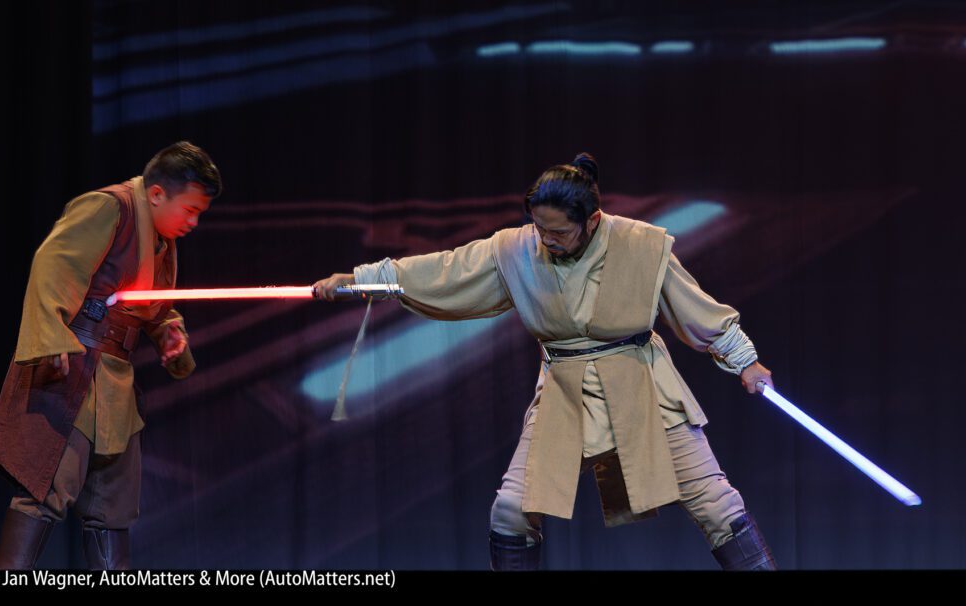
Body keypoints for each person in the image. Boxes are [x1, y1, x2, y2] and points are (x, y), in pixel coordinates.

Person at [314, 153, 777, 571]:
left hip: (643, 388)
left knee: (717, 506)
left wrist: (745, 362)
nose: (547, 240)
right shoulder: (516, 250)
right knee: (511, 512)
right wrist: (360, 281)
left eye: (559, 232)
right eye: (540, 229)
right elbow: (444, 269)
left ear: (592, 220)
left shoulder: (641, 245)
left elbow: (694, 307)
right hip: (565, 393)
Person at [0, 141, 222, 570]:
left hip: (115, 387)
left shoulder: (163, 245)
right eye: (189, 209)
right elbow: (53, 265)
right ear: (156, 194)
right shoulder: (109, 209)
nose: (194, 220)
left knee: (112, 512)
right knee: (44, 493)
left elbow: (154, 305)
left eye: (199, 212)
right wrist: (51, 338)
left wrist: (169, 334)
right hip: (72, 372)